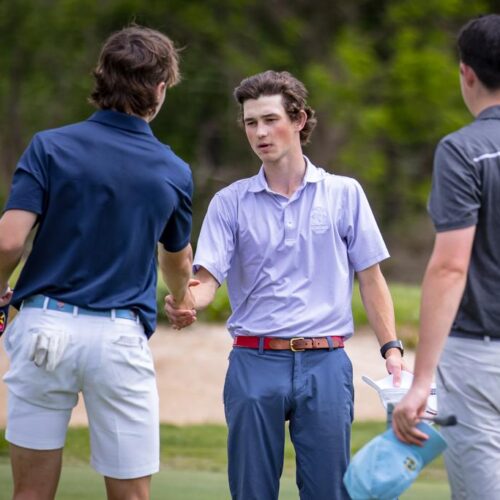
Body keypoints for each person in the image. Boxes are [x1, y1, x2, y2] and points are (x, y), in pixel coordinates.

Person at [166, 70, 405, 500]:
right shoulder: (229, 202)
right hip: (253, 362)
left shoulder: (345, 193)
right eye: (250, 122)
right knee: (252, 492)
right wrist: (188, 301)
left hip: (327, 363)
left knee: (329, 493)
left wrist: (391, 349)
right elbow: (206, 281)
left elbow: (371, 279)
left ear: (299, 120)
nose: (259, 132)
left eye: (270, 119)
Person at [0, 25, 194, 500]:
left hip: (45, 327)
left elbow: (8, 243)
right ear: (160, 88)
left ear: (101, 78)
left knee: (30, 494)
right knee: (130, 495)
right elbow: (176, 259)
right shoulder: (173, 170)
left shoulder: (50, 146)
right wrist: (182, 298)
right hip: (118, 339)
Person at [392, 14, 500, 499]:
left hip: (479, 358)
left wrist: (421, 382)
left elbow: (451, 266)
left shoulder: (462, 151)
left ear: (466, 73)